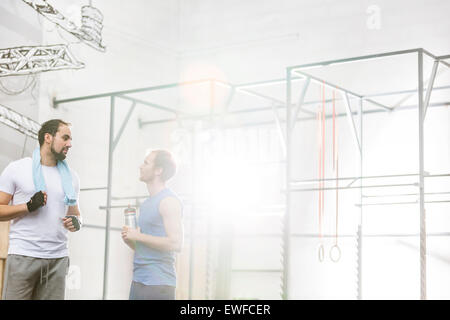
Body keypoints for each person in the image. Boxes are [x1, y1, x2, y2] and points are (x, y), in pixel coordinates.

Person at [0, 119, 82, 300]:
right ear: (48, 137)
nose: (70, 144)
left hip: (57, 260)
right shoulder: (17, 169)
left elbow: (76, 214)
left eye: (71, 140)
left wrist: (77, 222)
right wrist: (27, 206)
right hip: (23, 255)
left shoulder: (72, 177)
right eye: (65, 138)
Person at [121, 149, 183, 300]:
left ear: (158, 170)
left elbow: (176, 243)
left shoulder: (168, 201)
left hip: (159, 285)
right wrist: (131, 241)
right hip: (139, 281)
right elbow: (147, 249)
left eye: (146, 163)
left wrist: (139, 236)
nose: (141, 166)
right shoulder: (147, 204)